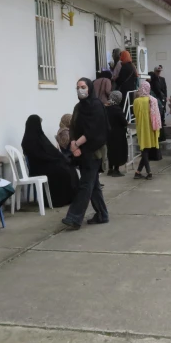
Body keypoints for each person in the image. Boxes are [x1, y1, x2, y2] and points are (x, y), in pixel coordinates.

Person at [62, 77, 109, 229]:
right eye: (77, 87)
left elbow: (94, 130)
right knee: (93, 185)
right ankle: (102, 214)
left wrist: (77, 144)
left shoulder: (96, 106)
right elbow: (73, 126)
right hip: (80, 151)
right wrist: (73, 145)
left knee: (85, 185)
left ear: (89, 88)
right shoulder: (78, 107)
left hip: (93, 152)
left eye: (83, 86)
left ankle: (74, 217)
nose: (80, 90)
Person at [21, 114, 79, 206]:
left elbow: (50, 149)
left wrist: (59, 157)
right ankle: (57, 200)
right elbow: (38, 156)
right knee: (62, 172)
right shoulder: (28, 140)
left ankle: (72, 198)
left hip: (46, 163)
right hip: (38, 167)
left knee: (69, 167)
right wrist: (54, 159)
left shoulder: (40, 136)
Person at [133, 80, 161, 180]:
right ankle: (146, 172)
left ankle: (140, 172)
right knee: (146, 149)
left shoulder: (137, 101)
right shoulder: (153, 100)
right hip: (152, 127)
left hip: (142, 127)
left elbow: (135, 114)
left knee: (144, 149)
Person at [105, 91, 129, 177]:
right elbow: (123, 121)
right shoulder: (117, 109)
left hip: (108, 133)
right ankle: (116, 170)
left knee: (110, 151)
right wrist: (127, 123)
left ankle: (110, 169)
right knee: (118, 151)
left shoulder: (106, 108)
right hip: (118, 134)